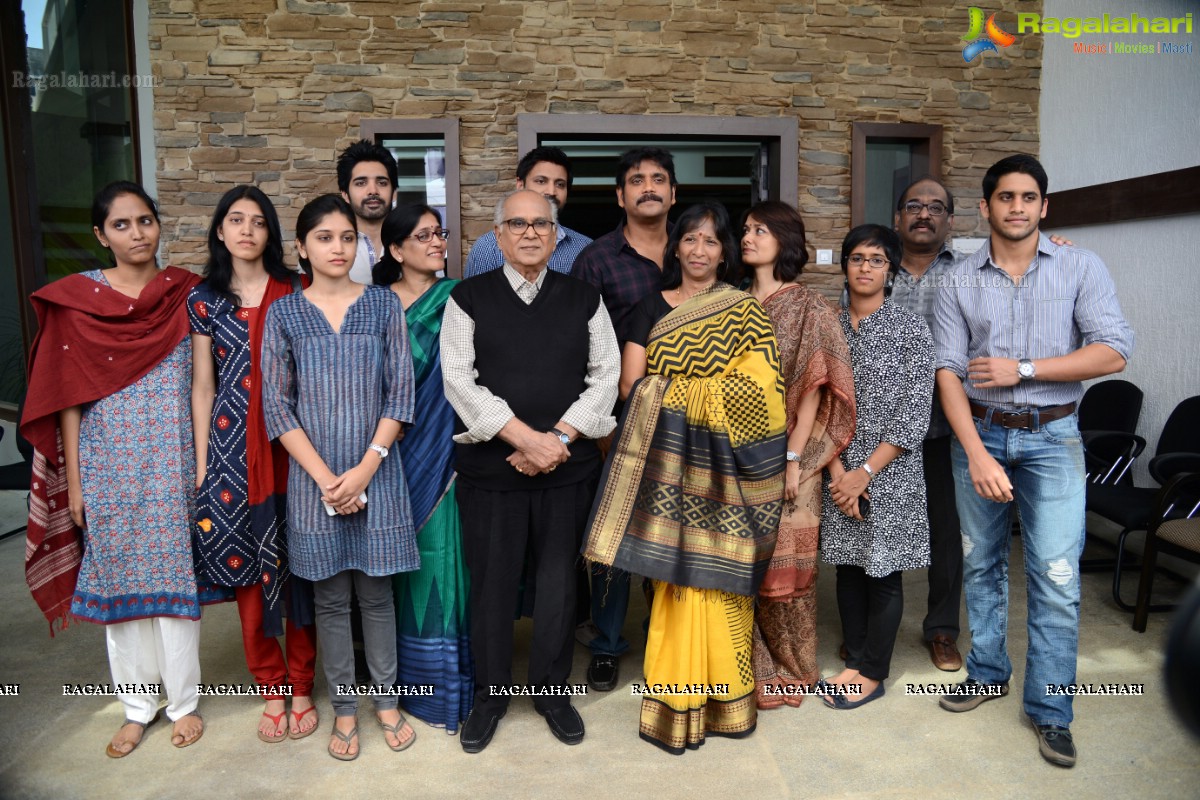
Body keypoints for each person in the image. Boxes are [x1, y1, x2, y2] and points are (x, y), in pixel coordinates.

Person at [933, 154, 1133, 768]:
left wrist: (1025, 369)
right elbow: (946, 370)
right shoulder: (957, 279)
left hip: (1054, 437)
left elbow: (1112, 353)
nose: (1016, 207)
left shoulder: (1080, 267)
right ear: (987, 207)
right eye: (1004, 197)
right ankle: (987, 672)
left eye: (1028, 198)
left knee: (1056, 575)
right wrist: (973, 452)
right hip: (981, 435)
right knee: (981, 563)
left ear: (1044, 207)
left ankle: (1050, 710)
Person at [584, 201, 786, 754]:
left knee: (719, 580)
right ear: (675, 247)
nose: (699, 250)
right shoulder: (648, 306)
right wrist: (697, 393)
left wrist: (688, 392)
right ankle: (677, 701)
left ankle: (726, 700)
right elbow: (632, 388)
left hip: (727, 473)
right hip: (666, 471)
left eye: (712, 241)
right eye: (690, 240)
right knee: (674, 583)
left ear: (725, 253)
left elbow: (765, 394)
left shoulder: (743, 310)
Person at [21, 181, 210, 756]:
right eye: (122, 225)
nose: (137, 233)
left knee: (174, 581)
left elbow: (206, 383)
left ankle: (182, 703)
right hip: (107, 462)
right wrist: (75, 480)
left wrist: (203, 462)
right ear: (101, 235)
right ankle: (136, 708)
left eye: (145, 220)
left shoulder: (185, 292)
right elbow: (67, 400)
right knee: (118, 586)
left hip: (174, 456)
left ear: (159, 225)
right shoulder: (78, 303)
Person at [441, 189, 619, 753]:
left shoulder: (584, 297)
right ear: (497, 235)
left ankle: (551, 692)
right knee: (492, 587)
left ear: (555, 234)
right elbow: (458, 381)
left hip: (566, 471)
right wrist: (523, 438)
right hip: (492, 473)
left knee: (558, 587)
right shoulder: (467, 298)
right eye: (516, 223)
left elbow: (606, 376)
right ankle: (490, 698)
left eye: (541, 223)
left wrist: (558, 440)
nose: (529, 233)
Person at [261, 194, 418, 761]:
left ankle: (388, 703)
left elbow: (401, 394)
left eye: (347, 237)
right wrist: (330, 478)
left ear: (360, 245)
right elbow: (277, 408)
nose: (337, 247)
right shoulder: (284, 313)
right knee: (329, 601)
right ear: (301, 247)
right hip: (314, 481)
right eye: (324, 237)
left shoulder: (381, 306)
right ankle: (345, 710)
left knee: (377, 596)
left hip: (378, 471)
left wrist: (365, 469)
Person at [189, 185, 319, 743]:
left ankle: (303, 685)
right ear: (220, 231)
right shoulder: (203, 300)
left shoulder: (297, 290)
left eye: (258, 221)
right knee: (248, 572)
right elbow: (202, 386)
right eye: (235, 220)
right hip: (230, 454)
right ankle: (270, 685)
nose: (246, 230)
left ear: (271, 233)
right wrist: (202, 468)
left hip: (293, 448)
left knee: (299, 571)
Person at [570, 146, 678, 692]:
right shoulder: (596, 259)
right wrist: (599, 424)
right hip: (616, 418)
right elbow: (580, 342)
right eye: (637, 181)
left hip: (689, 425)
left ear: (673, 192)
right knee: (614, 536)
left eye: (659, 179)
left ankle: (671, 640)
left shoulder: (695, 250)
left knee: (676, 533)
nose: (649, 188)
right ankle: (609, 644)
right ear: (621, 196)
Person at [741, 201, 856, 709]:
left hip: (796, 456)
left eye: (759, 230)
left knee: (790, 567)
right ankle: (751, 661)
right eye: (745, 230)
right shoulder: (733, 302)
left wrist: (792, 458)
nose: (747, 237)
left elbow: (814, 386)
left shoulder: (806, 303)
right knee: (747, 564)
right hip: (741, 454)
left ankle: (794, 662)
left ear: (784, 240)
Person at [818, 224, 934, 711]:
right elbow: (819, 404)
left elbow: (915, 412)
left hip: (891, 470)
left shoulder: (911, 329)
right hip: (836, 468)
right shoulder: (829, 327)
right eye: (857, 258)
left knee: (883, 572)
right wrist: (838, 474)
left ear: (890, 270)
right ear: (844, 266)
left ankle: (873, 672)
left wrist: (864, 473)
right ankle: (855, 660)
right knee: (847, 569)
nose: (865, 267)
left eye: (877, 259)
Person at [372, 204, 473, 734]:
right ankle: (395, 684)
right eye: (423, 235)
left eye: (440, 233)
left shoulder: (460, 296)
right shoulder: (373, 305)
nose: (437, 242)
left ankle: (447, 690)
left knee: (443, 559)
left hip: (448, 451)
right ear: (395, 250)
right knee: (390, 567)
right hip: (386, 455)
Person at [464, 146, 593, 277]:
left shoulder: (585, 249)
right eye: (541, 181)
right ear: (520, 185)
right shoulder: (487, 249)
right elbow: (473, 296)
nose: (551, 191)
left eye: (560, 184)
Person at [336, 139, 398, 285]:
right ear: (345, 194)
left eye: (382, 183)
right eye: (361, 183)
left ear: (394, 192)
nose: (372, 191)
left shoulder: (416, 242)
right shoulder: (331, 246)